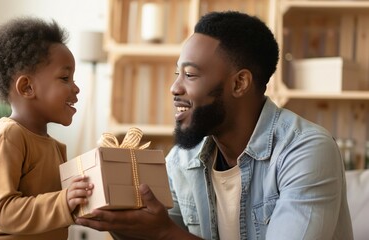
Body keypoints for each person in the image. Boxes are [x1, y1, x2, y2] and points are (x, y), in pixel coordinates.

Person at [76, 11, 354, 240]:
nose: (175, 87)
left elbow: (167, 234)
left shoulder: (306, 151)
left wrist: (163, 233)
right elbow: (155, 232)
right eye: (177, 73)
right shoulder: (183, 159)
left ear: (239, 83)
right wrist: (122, 224)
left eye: (190, 74)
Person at [0, 17, 94, 240]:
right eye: (65, 78)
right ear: (27, 87)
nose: (76, 88)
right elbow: (4, 212)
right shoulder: (9, 136)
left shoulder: (54, 147)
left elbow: (52, 210)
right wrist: (64, 200)